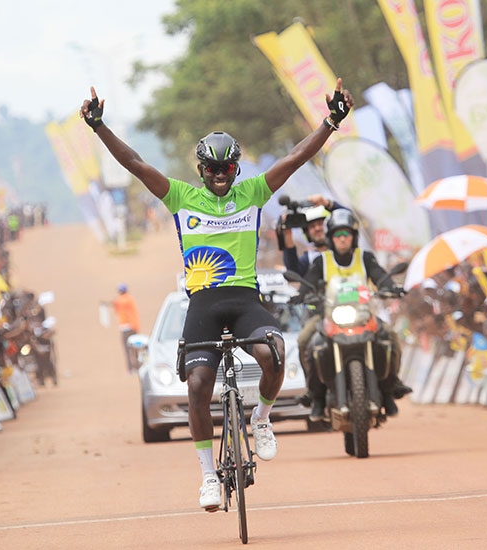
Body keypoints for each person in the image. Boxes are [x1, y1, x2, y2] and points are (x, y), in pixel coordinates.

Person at [81, 78, 354, 510]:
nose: (221, 175)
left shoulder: (254, 192)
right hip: (203, 305)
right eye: (213, 169)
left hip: (245, 300)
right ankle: (208, 475)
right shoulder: (180, 197)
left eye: (228, 168)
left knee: (275, 352)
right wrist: (99, 127)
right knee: (198, 386)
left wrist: (331, 122)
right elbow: (134, 163)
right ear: (201, 170)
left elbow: (295, 158)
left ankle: (261, 419)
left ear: (237, 168)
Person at [299, 209, 412, 419]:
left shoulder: (365, 258)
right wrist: (301, 294)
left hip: (363, 314)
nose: (342, 238)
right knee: (306, 340)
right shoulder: (322, 261)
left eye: (346, 234)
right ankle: (316, 396)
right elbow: (308, 284)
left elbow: (380, 276)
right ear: (331, 237)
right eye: (337, 234)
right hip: (328, 315)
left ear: (354, 236)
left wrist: (391, 287)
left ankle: (390, 388)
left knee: (390, 336)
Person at [280, 195, 348, 277]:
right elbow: (293, 271)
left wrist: (328, 204)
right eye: (312, 226)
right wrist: (287, 233)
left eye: (320, 224)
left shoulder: (344, 248)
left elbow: (349, 218)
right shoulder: (310, 258)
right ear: (307, 233)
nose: (317, 228)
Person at [111, 284, 140, 373]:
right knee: (135, 349)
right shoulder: (130, 299)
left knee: (127, 349)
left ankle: (131, 368)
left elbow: (117, 307)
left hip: (125, 328)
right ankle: (137, 366)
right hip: (133, 326)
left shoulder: (120, 300)